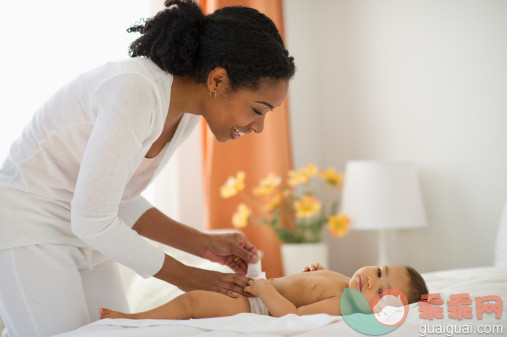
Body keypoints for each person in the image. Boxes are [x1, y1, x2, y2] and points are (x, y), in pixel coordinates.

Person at [0, 0, 296, 336]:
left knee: (112, 332)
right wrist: (195, 279)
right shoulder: (134, 92)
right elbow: (92, 218)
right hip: (31, 225)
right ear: (217, 81)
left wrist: (203, 244)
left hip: (84, 231)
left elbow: (115, 198)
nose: (258, 127)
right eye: (258, 110)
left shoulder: (185, 113)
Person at [99, 262, 428, 319]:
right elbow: (308, 289)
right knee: (201, 287)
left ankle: (133, 318)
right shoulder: (346, 281)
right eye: (380, 271)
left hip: (256, 307)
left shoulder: (343, 304)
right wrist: (313, 273)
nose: (372, 280)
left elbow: (294, 314)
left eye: (381, 289)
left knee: (193, 302)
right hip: (258, 290)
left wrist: (266, 289)